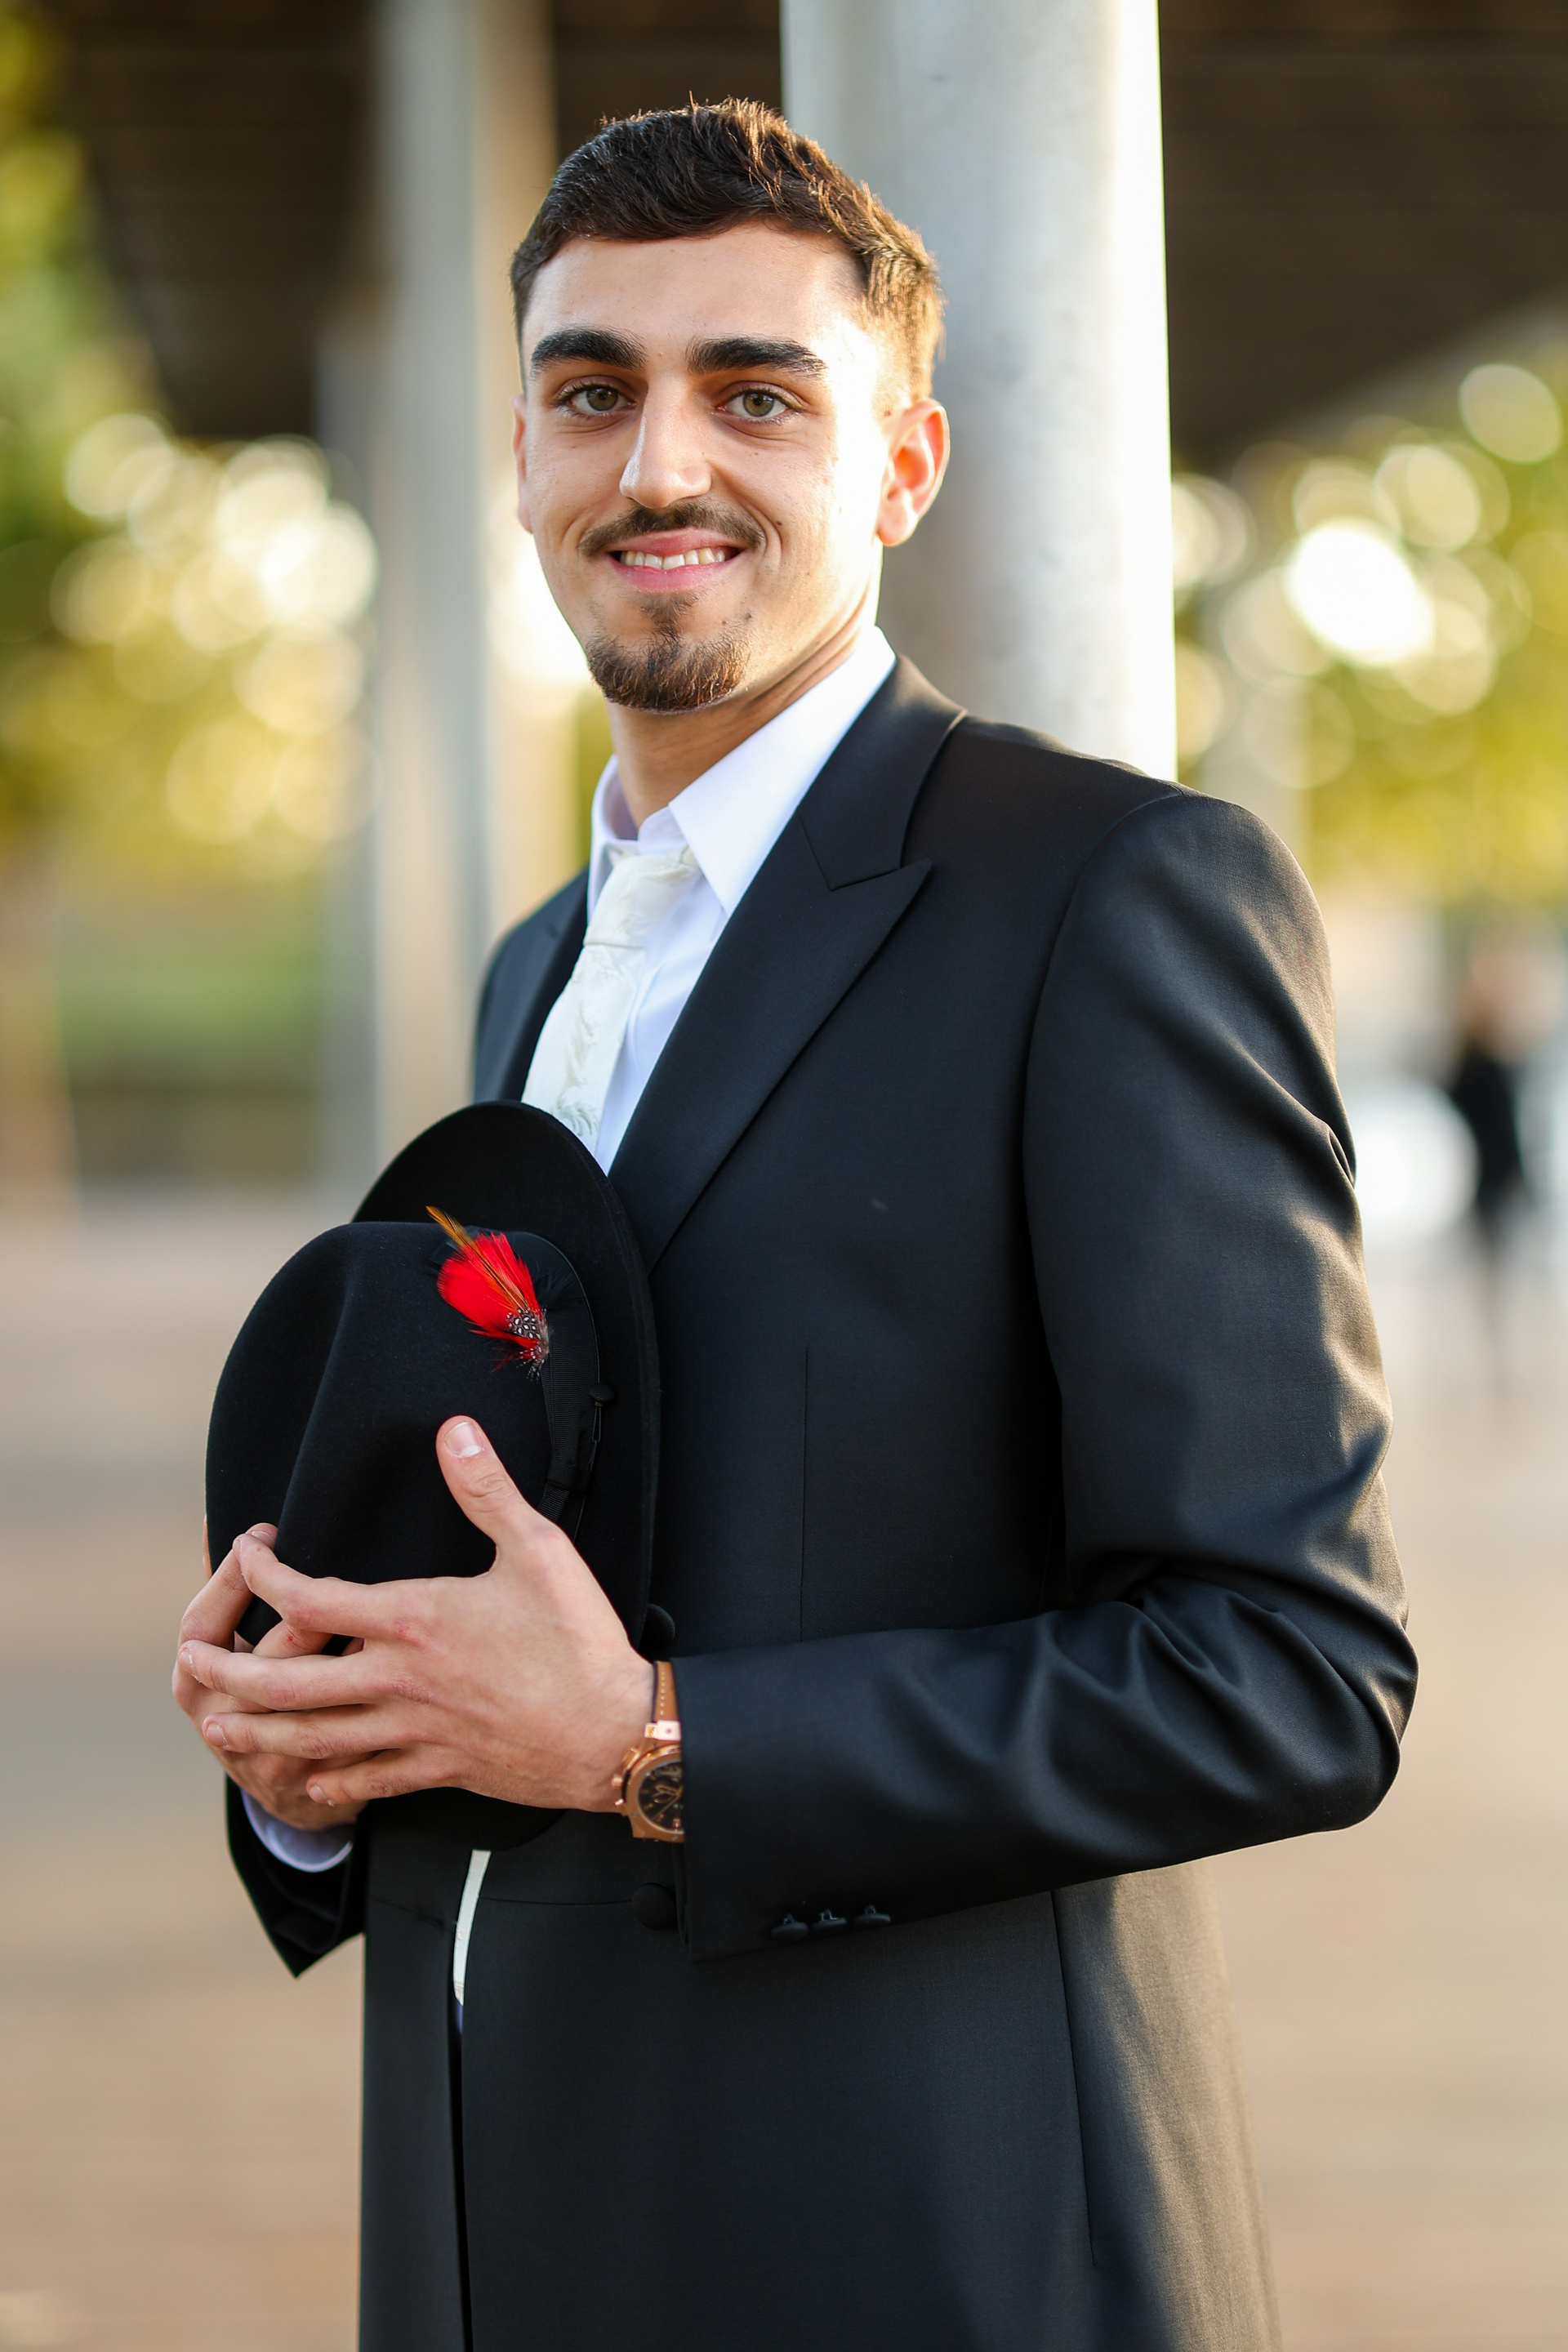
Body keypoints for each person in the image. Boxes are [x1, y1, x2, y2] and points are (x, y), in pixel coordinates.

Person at [172, 101, 1415, 2352]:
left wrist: (656, 1740)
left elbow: (1292, 1672)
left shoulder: (1112, 898)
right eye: (591, 392)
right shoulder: (535, 969)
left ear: (902, 465)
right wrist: (324, 1756)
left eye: (756, 394)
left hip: (926, 2245)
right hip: (504, 2235)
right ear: (522, 454)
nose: (660, 464)